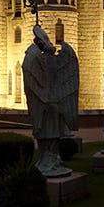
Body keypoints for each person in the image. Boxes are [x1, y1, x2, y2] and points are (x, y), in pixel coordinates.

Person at [22, 24, 79, 176]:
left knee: (47, 134)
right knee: (51, 134)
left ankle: (48, 160)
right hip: (53, 104)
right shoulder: (54, 60)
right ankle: (49, 160)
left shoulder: (40, 60)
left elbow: (31, 74)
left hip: (47, 105)